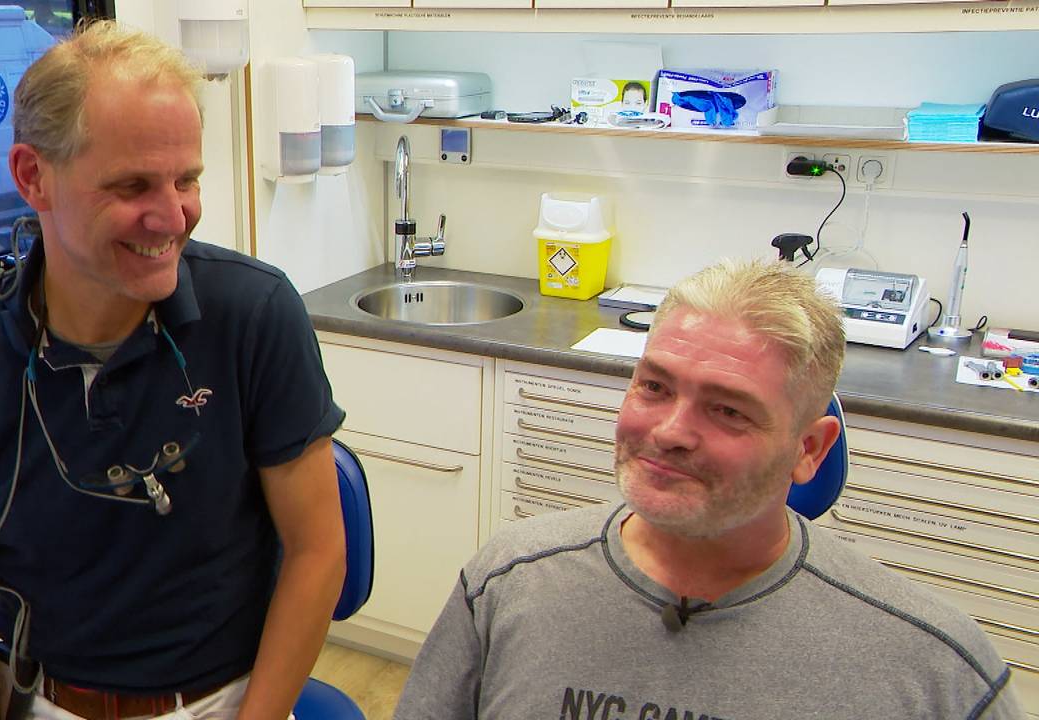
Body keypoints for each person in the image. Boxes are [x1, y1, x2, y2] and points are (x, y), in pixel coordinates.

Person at [0, 20, 346, 720]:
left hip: (224, 702)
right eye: (132, 186)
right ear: (34, 177)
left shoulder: (253, 315)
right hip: (46, 701)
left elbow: (316, 552)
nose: (172, 217)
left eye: (186, 180)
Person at [394, 259, 1024, 720]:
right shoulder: (508, 583)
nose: (669, 432)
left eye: (728, 411)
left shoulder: (936, 673)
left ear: (809, 449)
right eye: (654, 387)